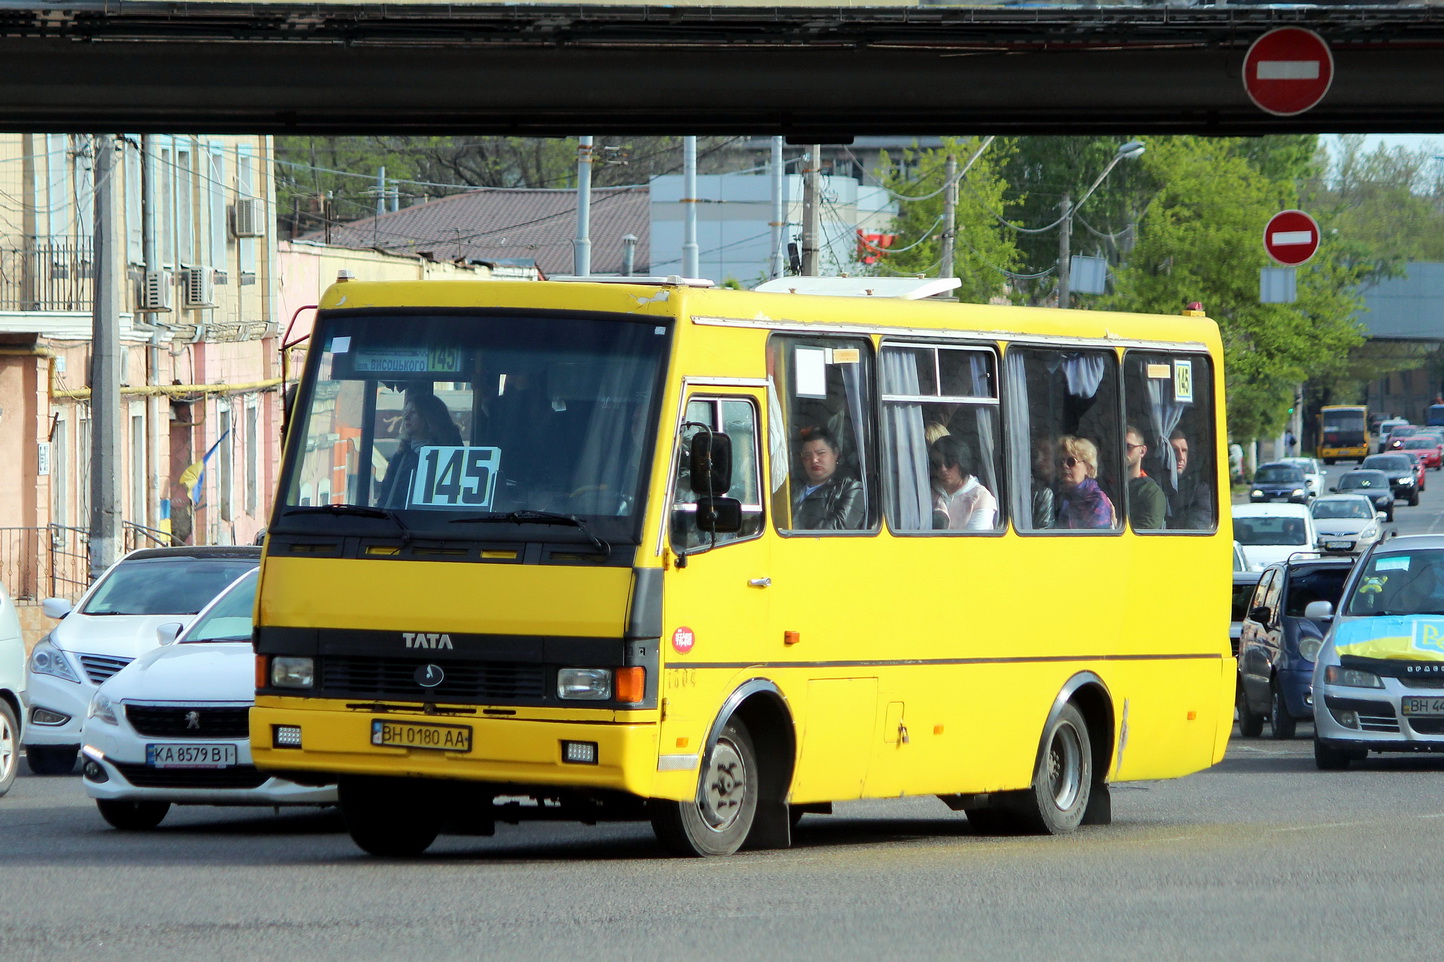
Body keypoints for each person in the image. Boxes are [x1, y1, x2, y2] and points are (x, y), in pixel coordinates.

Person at [375, 392, 463, 507]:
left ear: (429, 417)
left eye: (413, 413)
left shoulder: (450, 454)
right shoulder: (401, 457)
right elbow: (385, 498)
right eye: (405, 413)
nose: (406, 417)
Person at [791, 427, 865, 530]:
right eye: (807, 456)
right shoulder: (791, 490)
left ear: (835, 453)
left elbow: (837, 530)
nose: (814, 460)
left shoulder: (851, 489)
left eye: (821, 453)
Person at [929, 436, 997, 531]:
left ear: (962, 462)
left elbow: (975, 540)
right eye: (937, 464)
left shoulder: (981, 497)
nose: (943, 469)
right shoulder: (928, 493)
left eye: (949, 463)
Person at [1055, 435, 1115, 529]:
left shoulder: (1097, 500)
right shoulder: (1061, 497)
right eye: (1061, 462)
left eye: (1071, 462)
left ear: (1088, 468)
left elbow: (1097, 540)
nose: (1065, 466)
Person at [1168, 428, 1212, 529]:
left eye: (1184, 451)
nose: (1181, 457)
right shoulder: (1155, 484)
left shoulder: (1200, 489)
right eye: (1174, 450)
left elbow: (1198, 527)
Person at [1124, 425, 1165, 530]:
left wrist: (1115, 524)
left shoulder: (1151, 492)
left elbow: (1145, 535)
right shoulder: (1105, 484)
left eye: (1128, 447)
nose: (1122, 451)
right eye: (1118, 446)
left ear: (1142, 451)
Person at [1031, 436, 1057, 529]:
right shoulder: (1031, 489)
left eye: (1046, 452)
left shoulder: (1065, 493)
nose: (1039, 458)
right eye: (1036, 454)